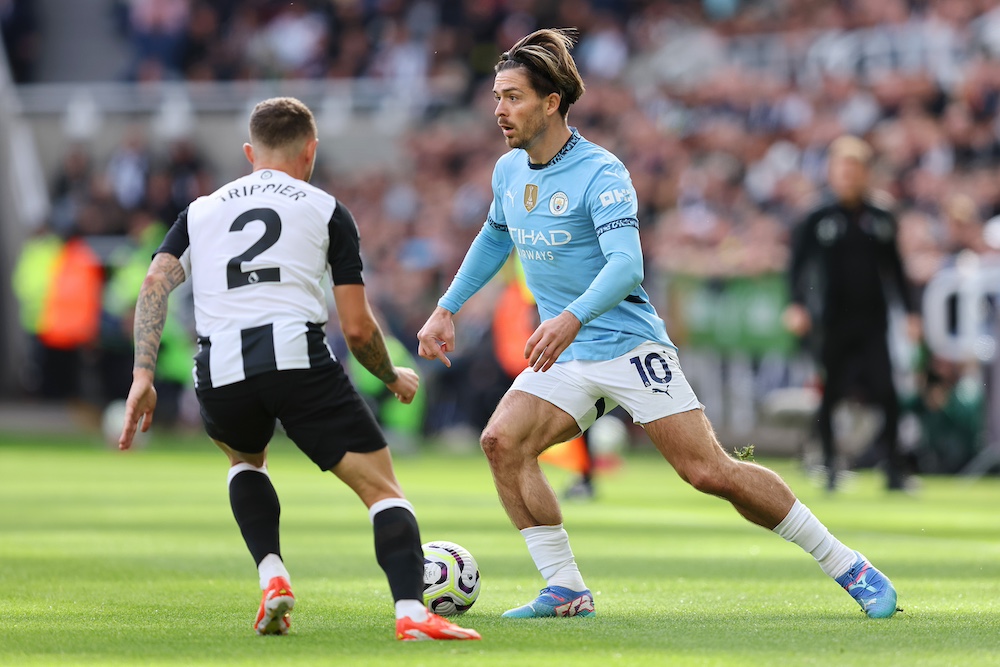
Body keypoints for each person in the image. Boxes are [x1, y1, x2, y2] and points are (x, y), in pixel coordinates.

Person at [417, 29, 899, 620]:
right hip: (567, 355)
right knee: (501, 442)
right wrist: (447, 307)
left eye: (513, 97)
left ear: (551, 103)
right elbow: (494, 238)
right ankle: (566, 590)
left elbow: (626, 266)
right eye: (497, 97)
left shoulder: (601, 172)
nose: (499, 110)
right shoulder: (509, 172)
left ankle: (851, 566)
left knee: (708, 472)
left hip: (625, 342)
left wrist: (569, 317)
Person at [117, 97, 480, 642]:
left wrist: (143, 375)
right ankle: (411, 612)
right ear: (311, 151)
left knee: (245, 461)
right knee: (383, 490)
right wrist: (392, 376)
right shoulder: (326, 209)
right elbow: (357, 329)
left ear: (249, 153)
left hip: (219, 369)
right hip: (296, 360)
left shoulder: (200, 210)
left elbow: (153, 287)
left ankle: (273, 575)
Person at [784, 135, 921, 492]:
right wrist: (796, 304)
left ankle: (894, 469)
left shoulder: (881, 215)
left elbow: (896, 268)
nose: (848, 176)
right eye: (842, 169)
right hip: (831, 321)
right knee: (830, 395)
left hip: (873, 321)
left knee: (887, 393)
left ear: (866, 173)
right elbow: (796, 266)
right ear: (832, 173)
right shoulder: (816, 216)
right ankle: (829, 465)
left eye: (855, 169)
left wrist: (910, 312)